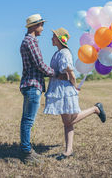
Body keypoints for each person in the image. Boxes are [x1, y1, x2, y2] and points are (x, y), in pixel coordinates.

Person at [44, 27, 106, 160]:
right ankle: (69, 150)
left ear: (60, 39)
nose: (51, 38)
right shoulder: (58, 53)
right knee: (68, 123)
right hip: (59, 90)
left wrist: (75, 87)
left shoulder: (65, 53)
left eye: (54, 36)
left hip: (65, 91)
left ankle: (95, 109)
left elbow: (70, 73)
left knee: (68, 121)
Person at [19, 14, 67, 164]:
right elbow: (40, 64)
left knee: (26, 120)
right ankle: (26, 153)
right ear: (34, 26)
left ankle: (26, 149)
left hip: (29, 84)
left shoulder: (27, 41)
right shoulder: (31, 42)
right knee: (28, 120)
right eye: (41, 25)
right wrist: (57, 74)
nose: (42, 28)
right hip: (33, 85)